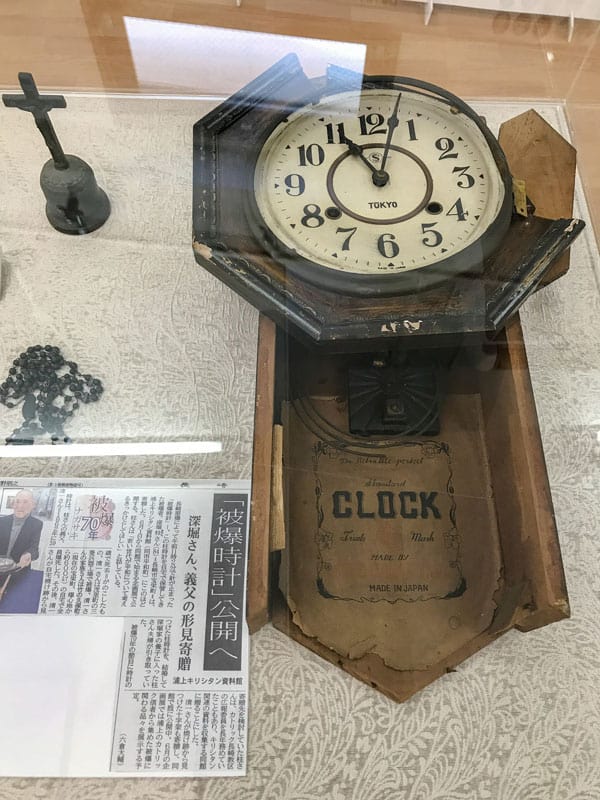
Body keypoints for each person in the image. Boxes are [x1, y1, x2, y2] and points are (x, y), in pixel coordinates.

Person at [0, 489, 42, 568]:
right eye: (17, 502)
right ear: (13, 504)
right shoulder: (2, 521)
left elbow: (34, 549)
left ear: (33, 505)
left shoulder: (36, 524)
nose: (20, 506)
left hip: (19, 567)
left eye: (25, 502)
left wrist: (28, 554)